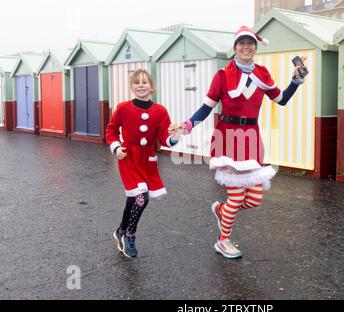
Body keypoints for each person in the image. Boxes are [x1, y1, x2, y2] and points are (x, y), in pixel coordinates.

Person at [169, 26, 308, 259]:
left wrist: (296, 80)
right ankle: (223, 241)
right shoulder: (222, 75)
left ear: (255, 48)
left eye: (250, 43)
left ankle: (221, 211)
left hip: (251, 138)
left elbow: (281, 100)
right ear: (235, 48)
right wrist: (188, 125)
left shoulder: (263, 73)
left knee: (253, 199)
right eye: (241, 43)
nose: (246, 47)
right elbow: (206, 108)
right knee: (236, 197)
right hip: (228, 137)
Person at [106, 69, 180, 258]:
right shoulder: (123, 108)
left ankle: (121, 230)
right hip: (128, 157)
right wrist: (116, 148)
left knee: (133, 198)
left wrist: (173, 137)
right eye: (136, 82)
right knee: (141, 197)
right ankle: (130, 235)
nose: (141, 85)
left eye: (145, 82)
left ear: (152, 87)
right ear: (131, 87)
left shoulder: (160, 111)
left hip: (147, 160)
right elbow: (111, 130)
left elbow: (164, 138)